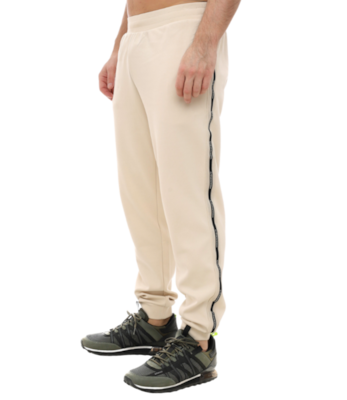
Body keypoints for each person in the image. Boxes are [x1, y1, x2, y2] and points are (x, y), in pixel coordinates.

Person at [82, 0, 240, 394]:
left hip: (186, 29)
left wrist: (205, 43)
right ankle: (154, 316)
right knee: (141, 191)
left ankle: (199, 336)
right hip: (138, 35)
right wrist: (121, 45)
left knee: (187, 190)